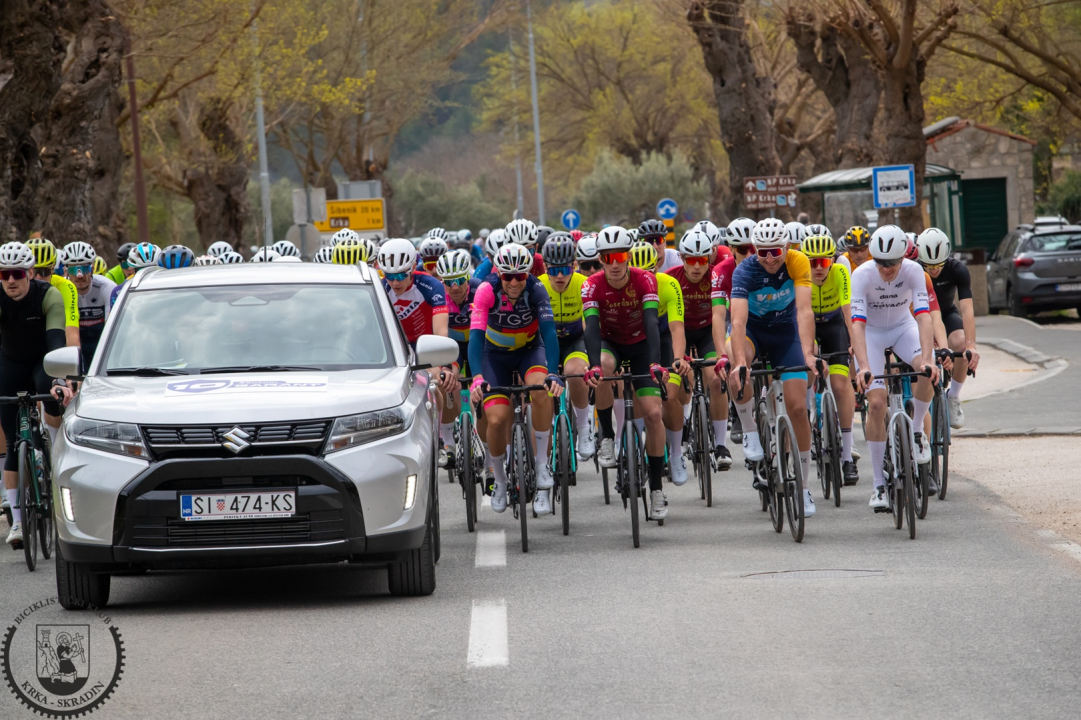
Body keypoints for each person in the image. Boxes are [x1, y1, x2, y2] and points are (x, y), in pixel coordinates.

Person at [727, 218, 818, 519]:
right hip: (753, 332)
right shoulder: (745, 270)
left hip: (785, 334)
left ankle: (803, 487)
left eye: (775, 251)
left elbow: (804, 310)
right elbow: (737, 322)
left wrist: (807, 353)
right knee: (734, 360)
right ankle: (750, 429)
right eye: (762, 251)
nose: (769, 258)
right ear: (754, 250)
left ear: (787, 247)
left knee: (797, 408)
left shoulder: (797, 262)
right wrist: (741, 363)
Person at [580, 226, 671, 520]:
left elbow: (651, 323)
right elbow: (591, 330)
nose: (614, 264)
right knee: (603, 367)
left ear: (628, 256)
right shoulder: (591, 285)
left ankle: (656, 488)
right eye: (607, 258)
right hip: (610, 344)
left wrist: (656, 362)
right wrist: (593, 365)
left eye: (619, 256)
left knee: (654, 415)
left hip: (642, 345)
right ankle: (607, 434)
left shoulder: (645, 279)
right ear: (601, 259)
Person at [468, 243, 563, 515]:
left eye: (519, 276)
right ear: (498, 273)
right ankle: (499, 481)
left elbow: (549, 334)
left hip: (529, 351)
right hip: (494, 355)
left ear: (527, 274)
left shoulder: (537, 290)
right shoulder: (487, 291)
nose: (512, 282)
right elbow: (475, 339)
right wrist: (476, 378)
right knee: (496, 419)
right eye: (507, 276)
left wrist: (553, 371)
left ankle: (542, 463)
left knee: (541, 391)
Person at [849, 225, 939, 510]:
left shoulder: (913, 271)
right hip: (872, 334)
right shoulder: (861, 275)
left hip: (903, 327)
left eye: (892, 263)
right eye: (880, 262)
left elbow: (924, 318)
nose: (886, 269)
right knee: (876, 403)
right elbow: (857, 324)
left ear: (903, 258)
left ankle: (915, 432)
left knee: (927, 369)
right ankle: (878, 484)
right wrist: (863, 366)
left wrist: (926, 358)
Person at [0, 242, 74, 547]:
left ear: (31, 273)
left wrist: (60, 380)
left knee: (51, 396)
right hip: (10, 363)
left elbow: (57, 342)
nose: (11, 280)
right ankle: (17, 523)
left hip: (43, 361)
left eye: (17, 273)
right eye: (3, 275)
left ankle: (55, 455)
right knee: (13, 437)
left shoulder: (49, 295)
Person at [379, 237, 458, 465]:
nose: (395, 282)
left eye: (401, 275)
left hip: (426, 344)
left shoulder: (430, 286)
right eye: (389, 275)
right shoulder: (381, 288)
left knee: (436, 381)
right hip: (397, 347)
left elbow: (440, 332)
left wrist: (442, 365)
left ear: (413, 268)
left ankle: (442, 439)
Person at [667, 229, 733, 470]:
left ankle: (720, 444)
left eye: (703, 260)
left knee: (715, 380)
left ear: (710, 258)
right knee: (681, 380)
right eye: (691, 260)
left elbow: (723, 317)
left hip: (707, 332)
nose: (696, 266)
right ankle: (684, 425)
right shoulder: (671, 278)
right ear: (682, 258)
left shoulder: (716, 277)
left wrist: (722, 355)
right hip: (679, 331)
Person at [801, 233, 859, 485]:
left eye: (823, 263)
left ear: (832, 262)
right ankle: (809, 412)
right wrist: (809, 347)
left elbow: (848, 310)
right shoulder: (800, 277)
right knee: (807, 372)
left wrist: (854, 342)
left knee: (839, 385)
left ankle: (847, 456)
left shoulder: (840, 272)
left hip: (835, 325)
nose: (818, 269)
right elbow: (800, 314)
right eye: (812, 262)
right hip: (809, 325)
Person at [629, 241, 688, 484]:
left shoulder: (669, 284)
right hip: (635, 340)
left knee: (670, 395)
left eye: (650, 271)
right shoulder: (625, 287)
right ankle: (630, 446)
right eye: (639, 272)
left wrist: (677, 359)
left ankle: (675, 453)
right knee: (631, 389)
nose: (646, 277)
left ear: (658, 266)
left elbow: (676, 328)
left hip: (663, 339)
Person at [539, 234, 595, 458]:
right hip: (545, 341)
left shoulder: (584, 284)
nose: (560, 276)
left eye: (565, 269)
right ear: (545, 268)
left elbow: (588, 325)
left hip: (575, 339)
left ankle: (583, 428)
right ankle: (549, 425)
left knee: (574, 373)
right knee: (539, 379)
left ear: (574, 266)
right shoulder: (538, 286)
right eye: (553, 270)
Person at [917, 228, 980, 428]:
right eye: (929, 266)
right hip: (921, 316)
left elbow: (967, 309)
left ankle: (953, 396)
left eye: (938, 265)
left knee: (960, 343)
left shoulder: (957, 269)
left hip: (946, 312)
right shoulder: (914, 269)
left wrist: (971, 345)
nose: (934, 270)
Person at [436, 249, 485, 469]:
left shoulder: (480, 290)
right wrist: (445, 366)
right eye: (448, 282)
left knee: (482, 386)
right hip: (453, 348)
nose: (454, 287)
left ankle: (480, 434)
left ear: (468, 276)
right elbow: (439, 334)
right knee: (448, 382)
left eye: (459, 280)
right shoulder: (440, 296)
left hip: (478, 345)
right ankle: (449, 442)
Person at [61, 242, 116, 372]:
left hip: (102, 344)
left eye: (84, 269)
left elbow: (112, 328)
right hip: (76, 346)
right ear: (66, 271)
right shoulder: (61, 290)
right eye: (74, 270)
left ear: (91, 269)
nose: (80, 275)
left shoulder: (107, 287)